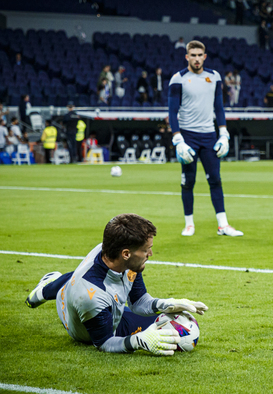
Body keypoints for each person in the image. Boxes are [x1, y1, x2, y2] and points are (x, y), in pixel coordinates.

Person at [25, 213, 208, 355]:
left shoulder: (118, 254)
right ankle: (46, 289)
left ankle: (58, 284)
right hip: (86, 327)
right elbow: (104, 343)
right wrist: (137, 341)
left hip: (102, 300)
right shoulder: (91, 297)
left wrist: (167, 303)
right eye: (146, 250)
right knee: (78, 284)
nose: (150, 254)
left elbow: (138, 302)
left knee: (176, 324)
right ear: (126, 253)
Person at [168, 40, 243, 237]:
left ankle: (223, 225)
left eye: (199, 55)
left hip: (209, 136)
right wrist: (178, 140)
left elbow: (219, 108)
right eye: (192, 55)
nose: (196, 58)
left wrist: (224, 133)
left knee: (216, 180)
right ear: (187, 57)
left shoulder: (215, 77)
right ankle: (189, 224)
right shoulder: (178, 79)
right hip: (188, 137)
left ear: (205, 56)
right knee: (188, 181)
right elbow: (172, 111)